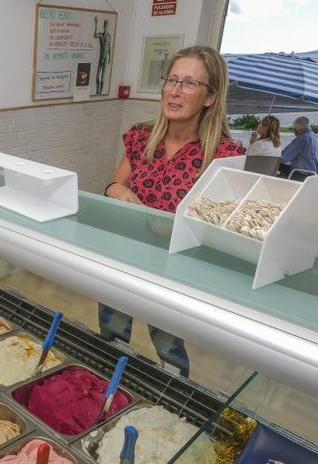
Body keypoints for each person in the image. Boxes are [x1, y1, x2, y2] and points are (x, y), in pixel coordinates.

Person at [102, 46, 246, 377]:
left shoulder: (224, 155)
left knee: (169, 349)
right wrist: (117, 190)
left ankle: (173, 402)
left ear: (210, 97)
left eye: (189, 83)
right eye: (171, 80)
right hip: (125, 256)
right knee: (110, 340)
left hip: (176, 272)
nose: (175, 91)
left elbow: (222, 230)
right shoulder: (140, 137)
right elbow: (112, 185)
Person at [93, 16, 112, 94]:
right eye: (105, 26)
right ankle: (97, 90)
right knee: (98, 74)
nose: (106, 27)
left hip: (106, 57)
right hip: (101, 57)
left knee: (103, 76)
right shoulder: (101, 35)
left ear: (108, 26)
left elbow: (109, 48)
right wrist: (96, 24)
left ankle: (100, 92)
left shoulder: (109, 36)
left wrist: (110, 57)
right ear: (103, 26)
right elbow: (94, 36)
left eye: (107, 26)